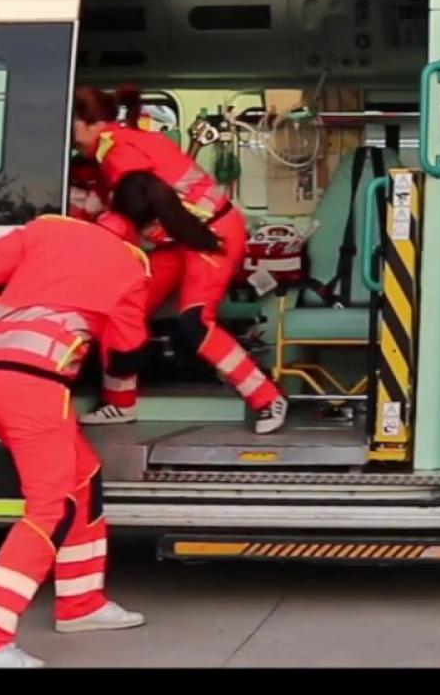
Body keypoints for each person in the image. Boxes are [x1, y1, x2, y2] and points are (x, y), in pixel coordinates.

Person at [0, 176, 213, 668]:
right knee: (50, 507)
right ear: (153, 228)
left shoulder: (49, 229)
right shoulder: (131, 265)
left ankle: (81, 603)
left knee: (83, 476)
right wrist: (122, 381)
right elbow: (125, 356)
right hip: (35, 385)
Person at [69, 85, 289, 435]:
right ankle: (120, 403)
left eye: (74, 127)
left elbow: (140, 206)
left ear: (91, 123)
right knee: (121, 306)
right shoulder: (119, 146)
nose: (72, 139)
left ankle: (267, 398)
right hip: (181, 237)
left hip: (211, 234)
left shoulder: (120, 154)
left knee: (195, 324)